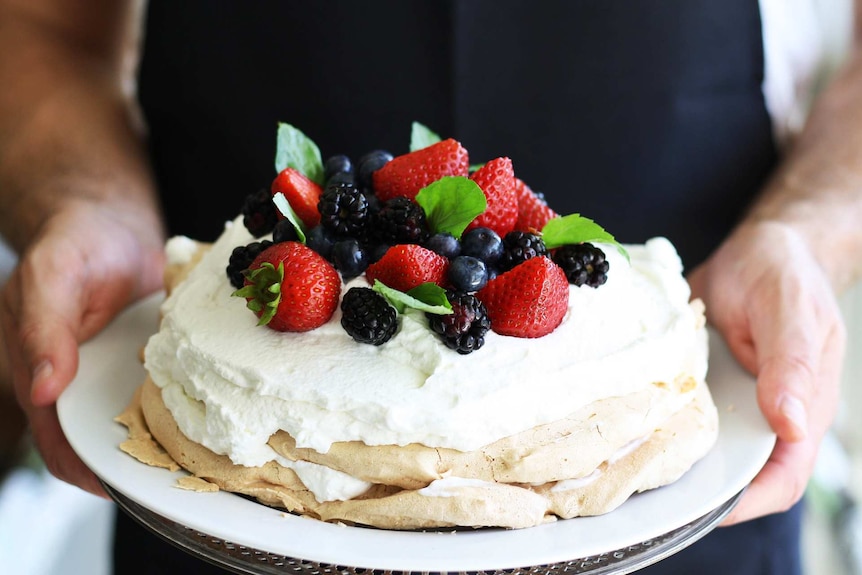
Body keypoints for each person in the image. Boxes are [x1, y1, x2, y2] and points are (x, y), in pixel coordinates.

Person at [0, 1, 860, 573]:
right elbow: (41, 26)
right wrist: (83, 203)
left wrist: (806, 235)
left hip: (676, 504)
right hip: (223, 484)